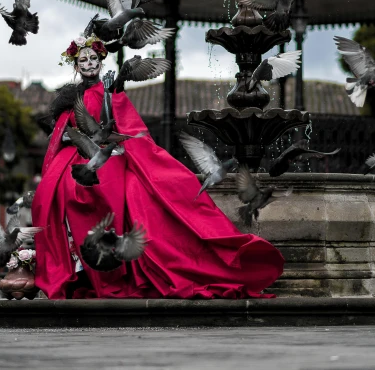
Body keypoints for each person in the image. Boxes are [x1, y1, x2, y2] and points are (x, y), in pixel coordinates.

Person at [32, 36, 284, 299]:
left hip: (111, 157)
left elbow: (115, 125)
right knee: (54, 194)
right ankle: (82, 266)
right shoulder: (70, 97)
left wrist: (107, 96)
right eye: (83, 60)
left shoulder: (111, 92)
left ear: (101, 60)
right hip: (80, 161)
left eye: (93, 59)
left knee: (122, 192)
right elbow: (60, 132)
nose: (89, 64)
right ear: (76, 65)